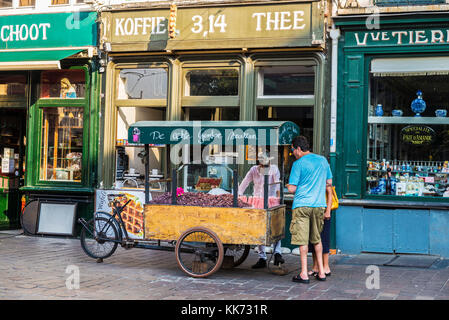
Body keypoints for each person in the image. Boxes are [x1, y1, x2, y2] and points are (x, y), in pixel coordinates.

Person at [287, 136, 333, 283]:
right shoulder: (323, 161)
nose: (293, 152)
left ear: (299, 149)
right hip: (319, 204)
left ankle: (304, 274)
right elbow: (329, 183)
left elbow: (293, 189)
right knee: (316, 239)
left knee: (303, 241)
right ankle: (321, 272)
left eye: (293, 150)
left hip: (302, 205)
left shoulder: (298, 164)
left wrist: (289, 186)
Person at [238, 151, 284, 269]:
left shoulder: (274, 169)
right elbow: (245, 182)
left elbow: (277, 184)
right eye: (260, 160)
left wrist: (279, 199)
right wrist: (238, 194)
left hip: (271, 200)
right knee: (259, 228)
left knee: (275, 227)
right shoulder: (254, 169)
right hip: (257, 201)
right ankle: (262, 257)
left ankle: (277, 252)